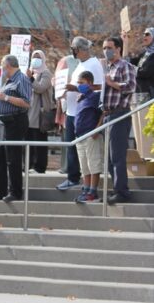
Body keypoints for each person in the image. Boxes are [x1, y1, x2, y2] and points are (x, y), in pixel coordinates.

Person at [56, 37, 105, 191]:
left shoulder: (94, 64)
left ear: (80, 49)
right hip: (72, 110)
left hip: (84, 112)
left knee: (84, 151)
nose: (73, 52)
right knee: (72, 147)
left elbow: (98, 87)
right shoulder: (81, 64)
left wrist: (75, 89)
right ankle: (73, 177)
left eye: (74, 49)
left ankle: (82, 182)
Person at [102, 37, 137, 204]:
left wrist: (112, 83)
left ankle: (122, 191)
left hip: (120, 114)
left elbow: (131, 87)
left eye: (109, 47)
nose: (106, 50)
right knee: (108, 158)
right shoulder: (107, 67)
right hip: (107, 115)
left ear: (118, 49)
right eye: (103, 48)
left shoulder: (125, 66)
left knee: (117, 156)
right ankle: (117, 187)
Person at [0, 55, 32, 203]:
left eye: (3, 66)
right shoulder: (8, 81)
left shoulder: (21, 79)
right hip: (3, 123)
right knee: (0, 157)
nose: (2, 69)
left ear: (8, 65)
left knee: (12, 158)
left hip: (15, 121)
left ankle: (15, 191)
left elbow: (27, 102)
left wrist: (6, 98)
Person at [73, 71, 104, 203]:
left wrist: (97, 129)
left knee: (93, 164)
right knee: (84, 166)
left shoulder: (95, 96)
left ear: (90, 83)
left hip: (91, 135)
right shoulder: (82, 97)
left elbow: (104, 112)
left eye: (82, 83)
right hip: (79, 137)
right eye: (78, 83)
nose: (79, 85)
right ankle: (86, 190)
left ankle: (93, 192)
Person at [26, 50, 54, 173]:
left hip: (39, 113)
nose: (35, 59)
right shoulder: (30, 72)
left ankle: (40, 166)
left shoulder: (46, 73)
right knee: (29, 140)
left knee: (39, 140)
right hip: (29, 111)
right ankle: (29, 164)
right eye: (34, 57)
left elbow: (41, 88)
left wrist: (31, 78)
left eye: (38, 57)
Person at [122, 27, 154, 97]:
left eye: (147, 34)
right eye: (144, 34)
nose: (144, 36)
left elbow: (145, 72)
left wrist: (131, 68)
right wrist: (125, 42)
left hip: (148, 95)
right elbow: (126, 62)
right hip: (138, 93)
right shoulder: (145, 53)